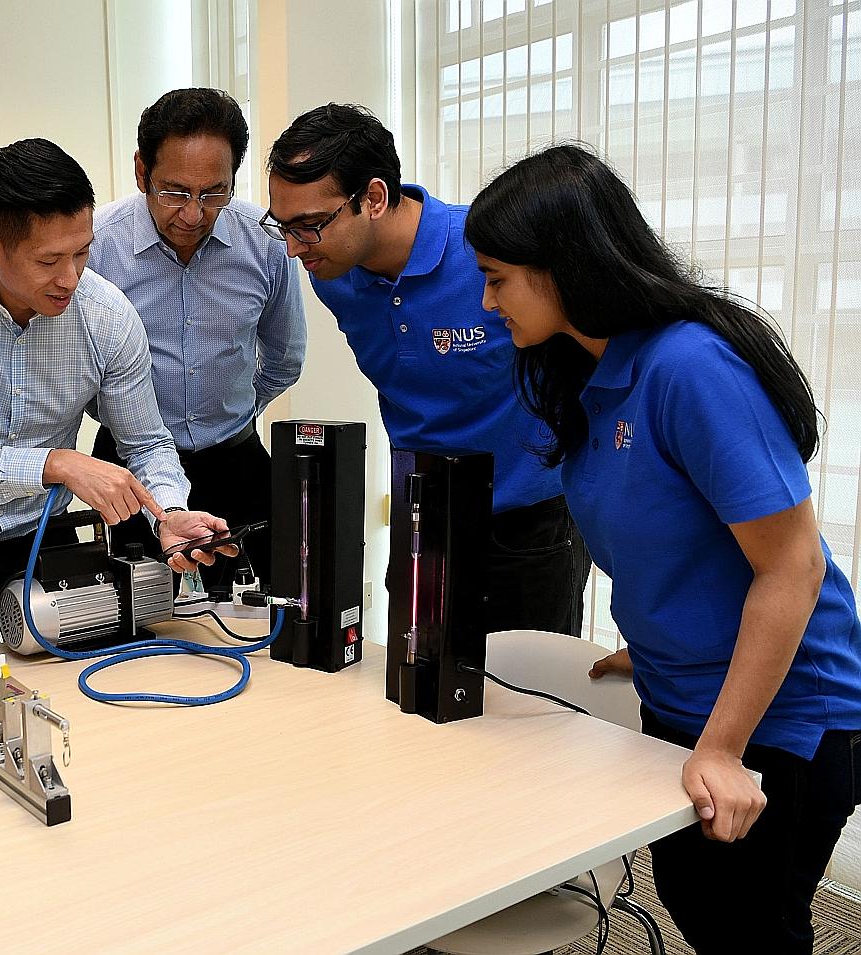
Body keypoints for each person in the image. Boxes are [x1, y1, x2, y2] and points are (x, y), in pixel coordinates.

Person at [467, 143, 861, 954]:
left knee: (749, 927)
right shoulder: (585, 369)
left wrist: (720, 746)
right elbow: (667, 530)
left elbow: (795, 566)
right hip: (682, 690)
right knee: (693, 898)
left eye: (499, 276)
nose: (486, 297)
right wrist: (650, 643)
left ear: (562, 266)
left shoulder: (690, 367)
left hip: (780, 714)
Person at [0, 138, 232, 657]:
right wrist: (56, 463)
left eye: (82, 252)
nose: (70, 278)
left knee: (57, 685)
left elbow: (147, 443)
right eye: (48, 260)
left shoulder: (105, 314)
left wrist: (170, 512)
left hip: (45, 538)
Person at [264, 104, 589, 636]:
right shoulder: (332, 273)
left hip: (528, 523)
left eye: (310, 226)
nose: (295, 247)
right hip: (424, 516)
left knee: (532, 706)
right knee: (416, 692)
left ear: (372, 198)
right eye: (283, 227)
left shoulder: (488, 252)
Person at [88, 88, 306, 594]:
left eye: (213, 193)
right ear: (142, 172)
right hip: (128, 469)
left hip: (236, 461)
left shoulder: (264, 241)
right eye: (175, 192)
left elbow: (285, 357)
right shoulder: (97, 247)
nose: (193, 213)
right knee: (140, 621)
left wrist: (234, 410)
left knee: (261, 613)